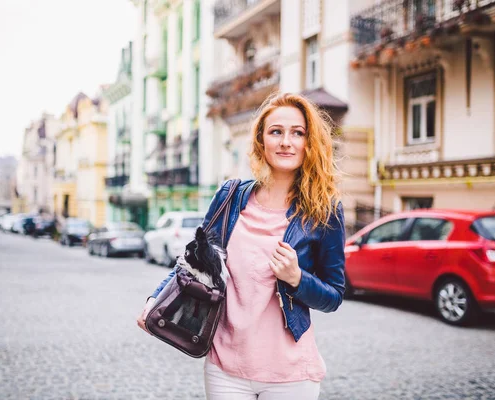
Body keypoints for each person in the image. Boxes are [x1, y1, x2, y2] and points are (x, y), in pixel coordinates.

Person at [137, 92, 346, 400]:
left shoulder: (323, 210)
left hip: (289, 374)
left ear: (309, 143)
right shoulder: (230, 197)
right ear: (261, 141)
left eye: (297, 133)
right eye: (276, 131)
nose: (286, 141)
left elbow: (334, 295)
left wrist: (297, 278)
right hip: (225, 367)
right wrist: (155, 299)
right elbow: (193, 261)